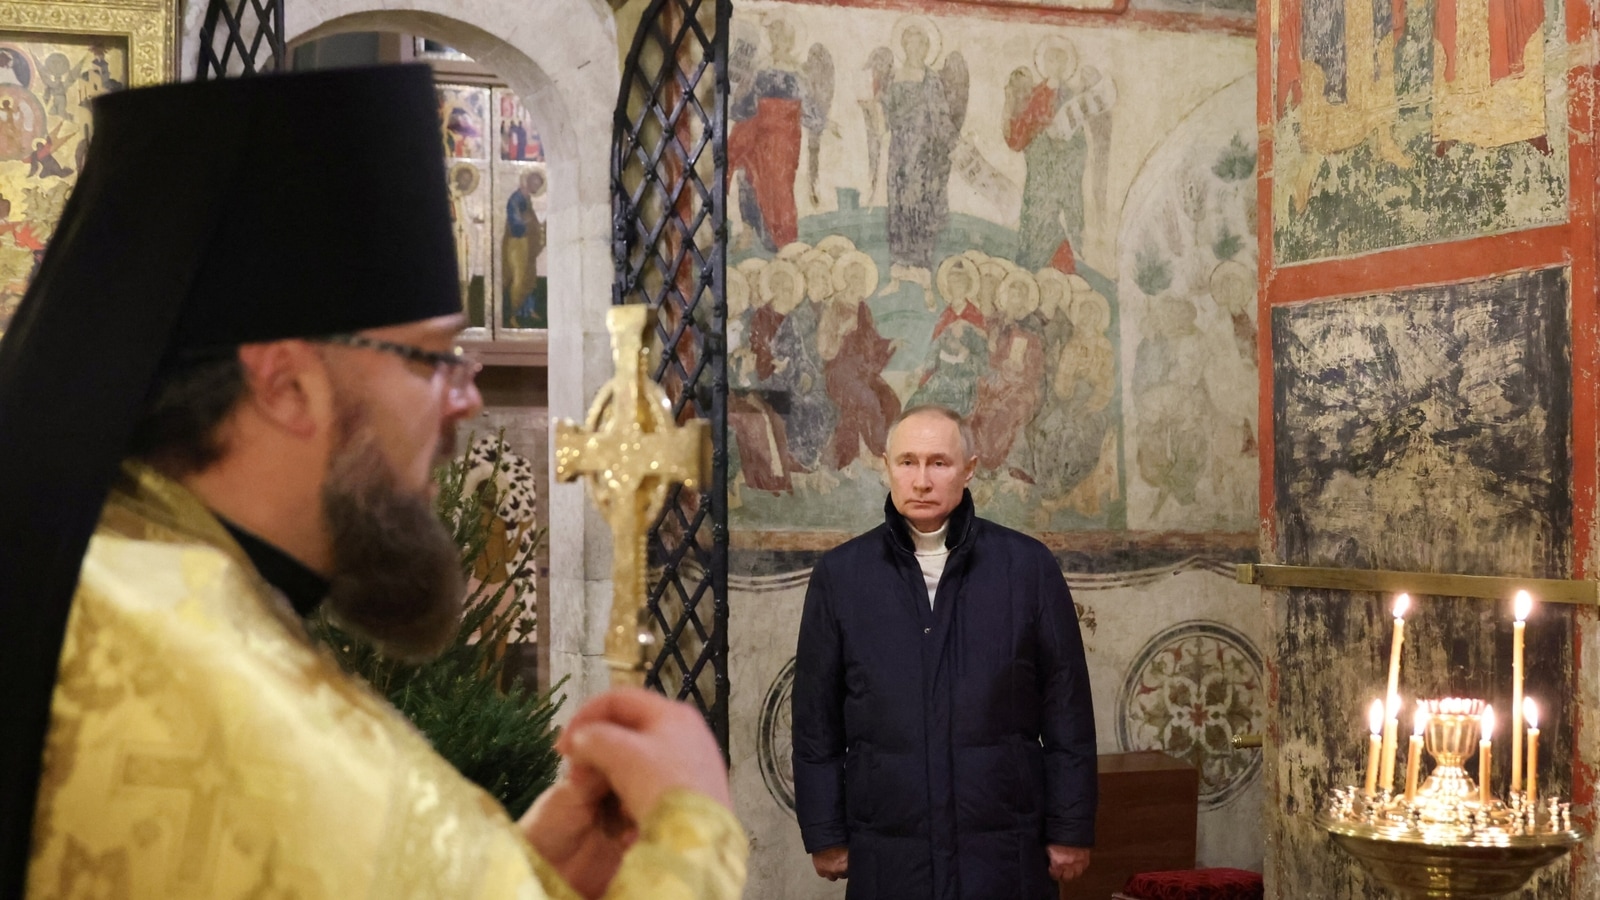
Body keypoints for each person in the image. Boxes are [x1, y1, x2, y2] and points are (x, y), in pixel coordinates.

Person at [0, 67, 745, 899]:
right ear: (286, 385)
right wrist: (693, 830)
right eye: (433, 358)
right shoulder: (243, 713)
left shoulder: (110, 573)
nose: (467, 398)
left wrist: (518, 872)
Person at [791, 404, 1096, 898]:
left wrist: (1071, 826)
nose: (922, 480)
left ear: (970, 468)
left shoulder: (1027, 568)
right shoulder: (842, 576)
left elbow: (1068, 712)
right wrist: (825, 830)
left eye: (939, 462)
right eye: (907, 462)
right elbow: (815, 722)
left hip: (1003, 850)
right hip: (889, 850)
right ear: (886, 466)